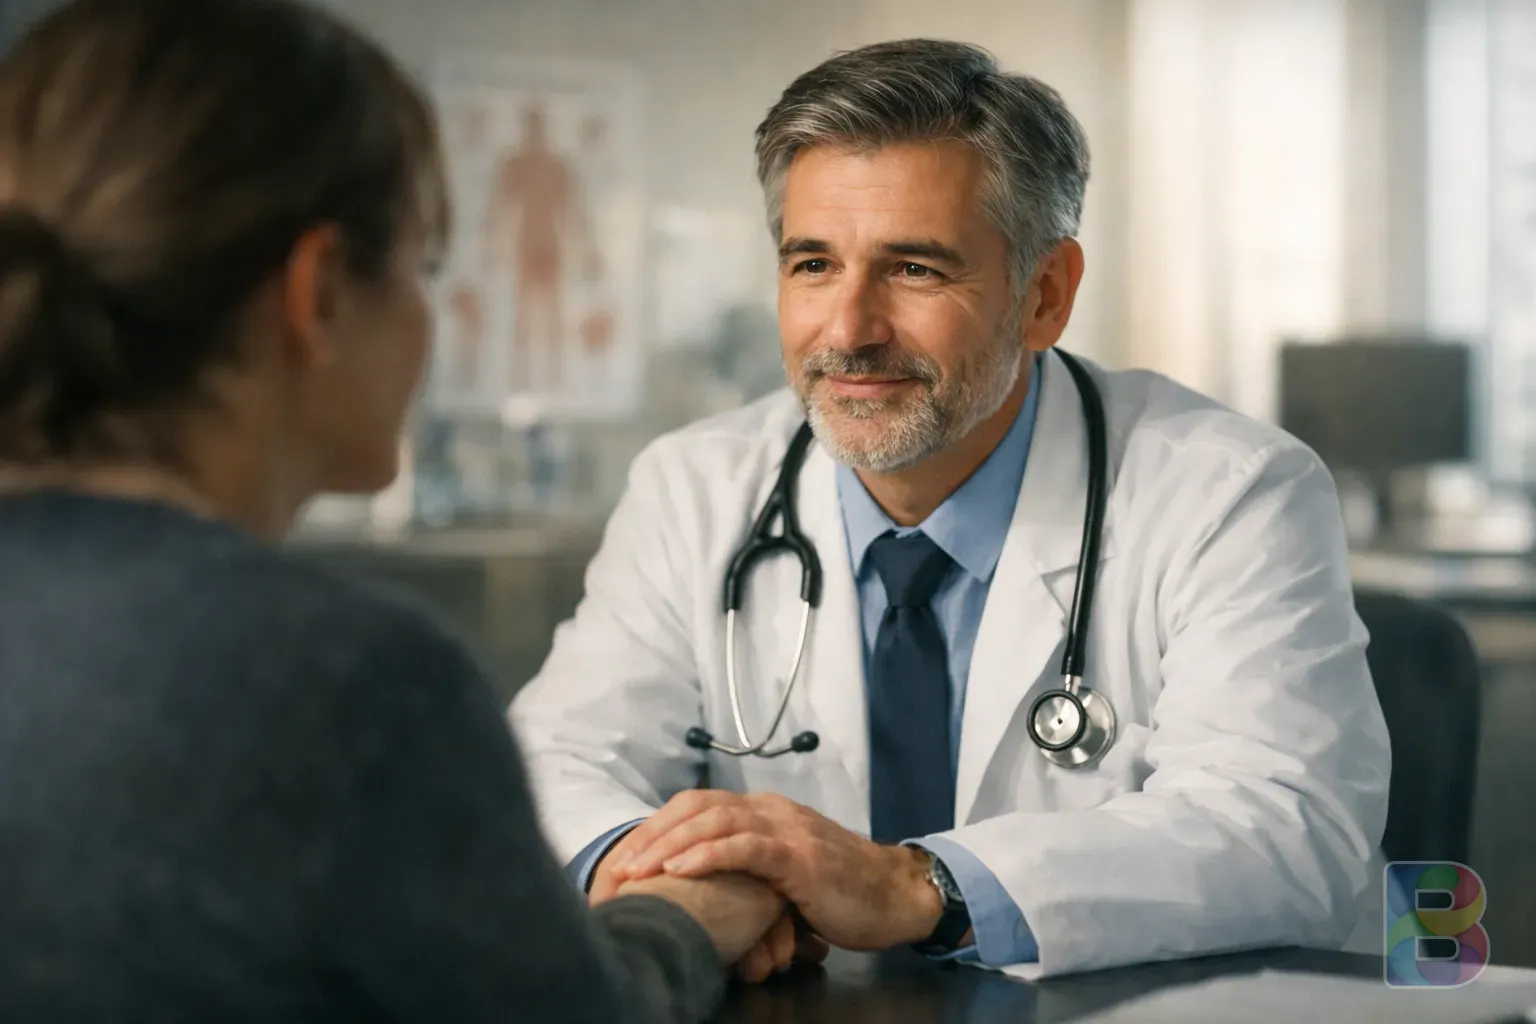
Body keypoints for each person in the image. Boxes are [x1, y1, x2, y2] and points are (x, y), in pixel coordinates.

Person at [509, 38, 1394, 977]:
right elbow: (551, 759)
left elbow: (1285, 822)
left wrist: (912, 887)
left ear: (1044, 295)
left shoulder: (1230, 491)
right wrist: (659, 881)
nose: (848, 330)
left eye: (916, 270)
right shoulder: (694, 489)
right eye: (812, 264)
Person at [0, 1, 802, 1020]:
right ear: (320, 291)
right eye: (424, 266)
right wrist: (682, 918)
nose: (431, 316)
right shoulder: (348, 685)